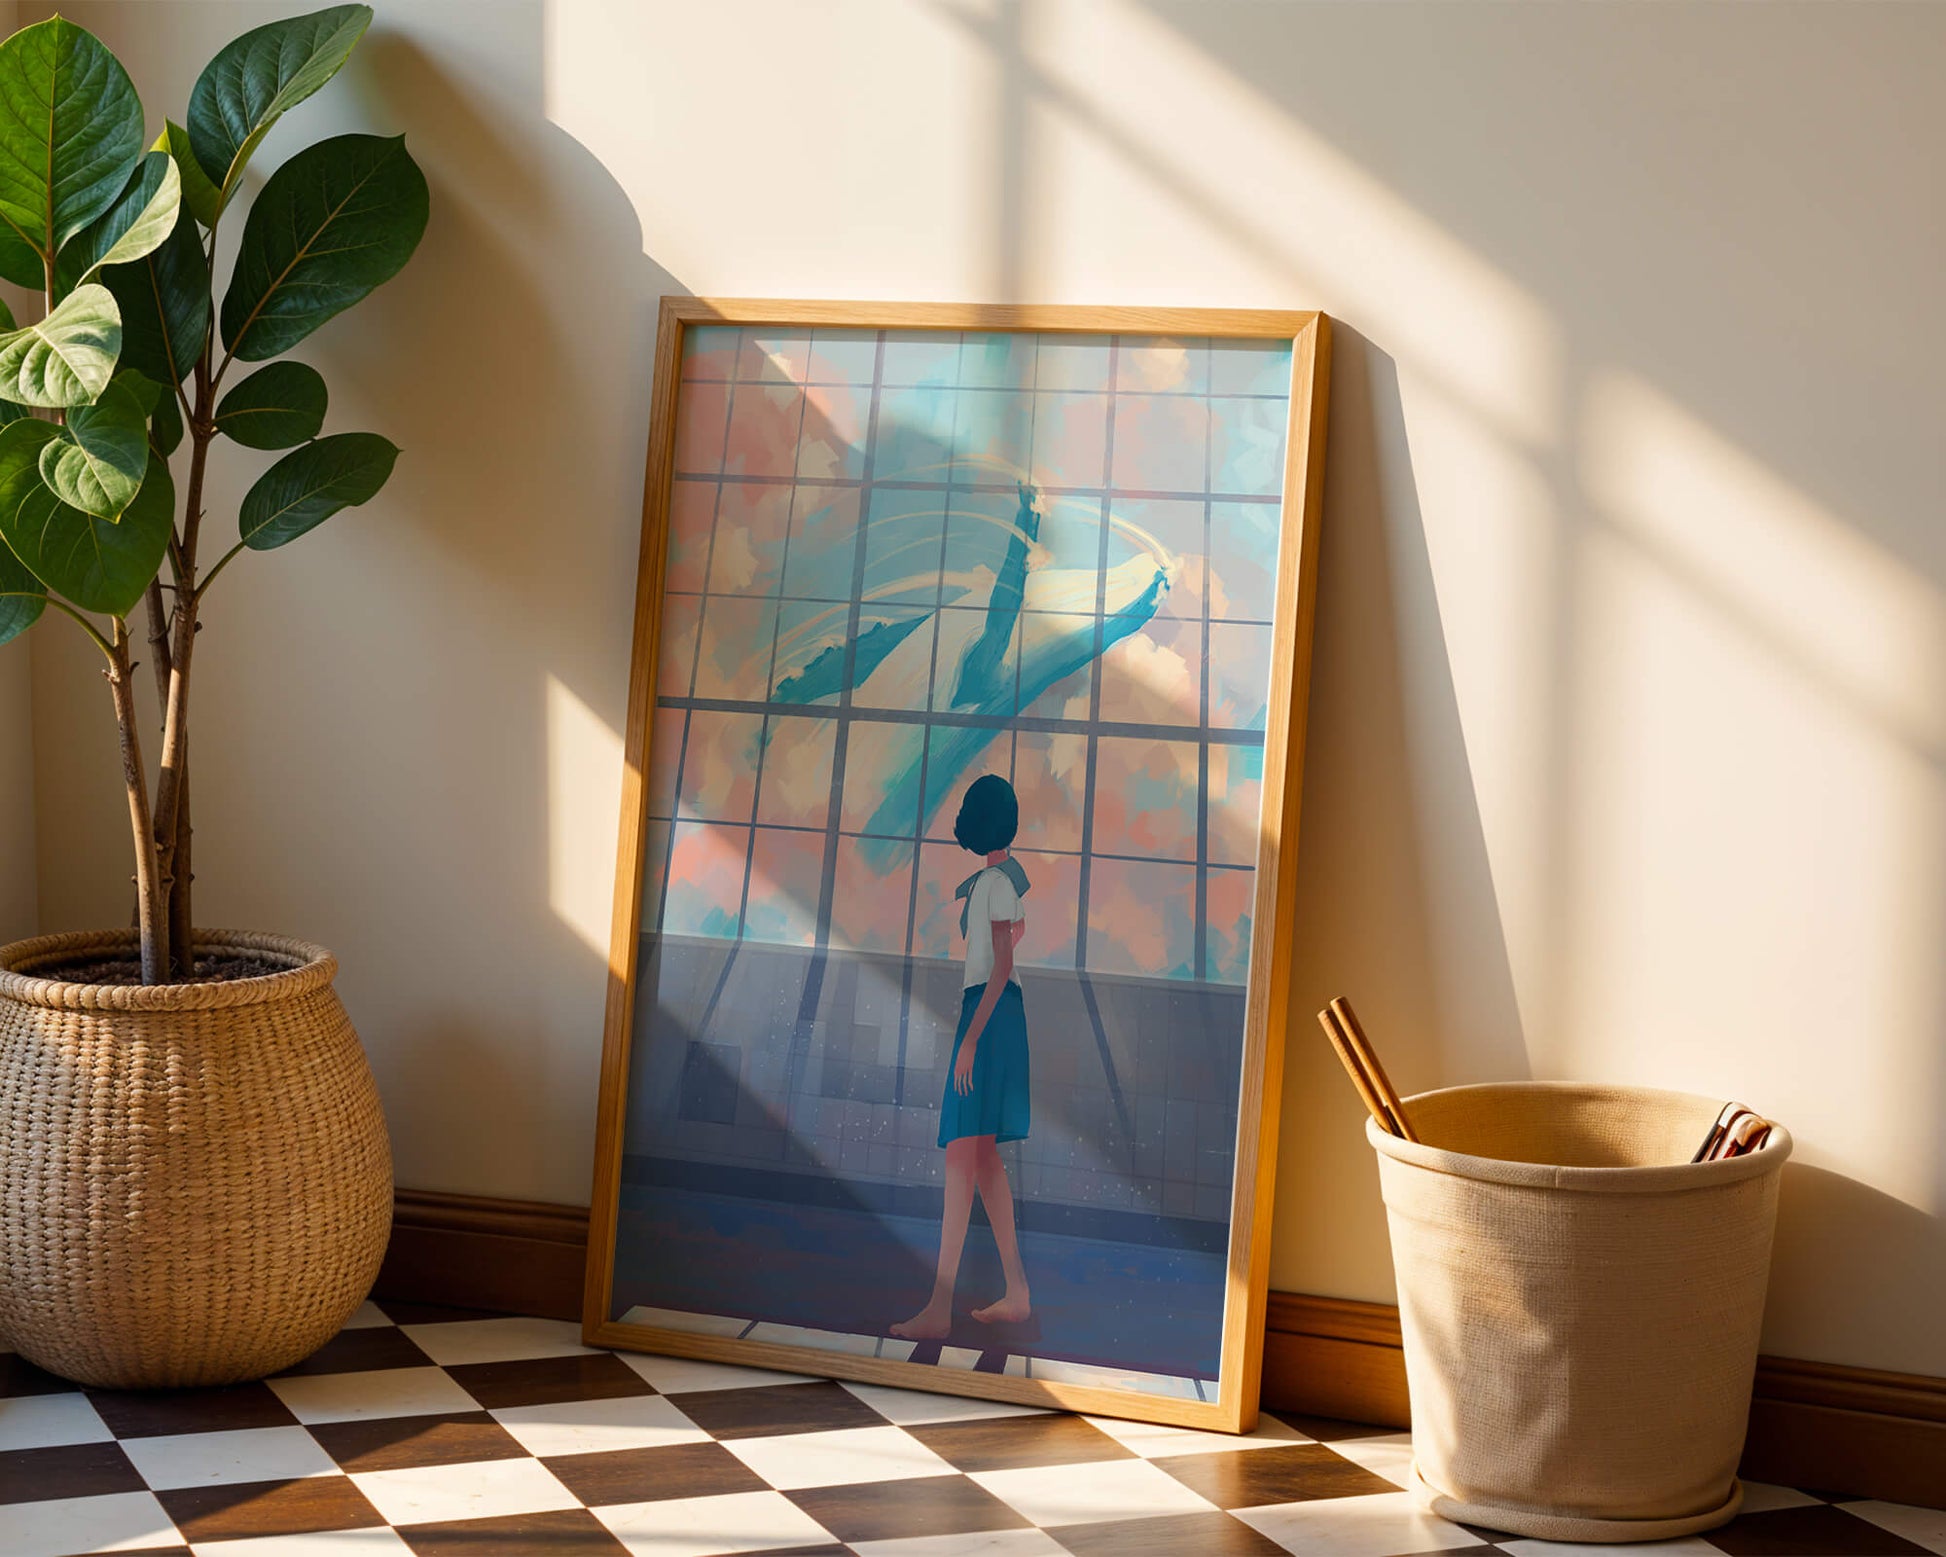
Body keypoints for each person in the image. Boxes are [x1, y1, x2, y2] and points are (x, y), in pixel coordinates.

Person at [892, 773, 1033, 1339]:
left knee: (961, 1158)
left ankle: (938, 1308)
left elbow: (998, 968)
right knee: (982, 1161)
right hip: (996, 1013)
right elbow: (1006, 947)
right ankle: (1016, 1291)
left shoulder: (996, 883)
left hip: (989, 1017)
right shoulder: (999, 882)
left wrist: (970, 1040)